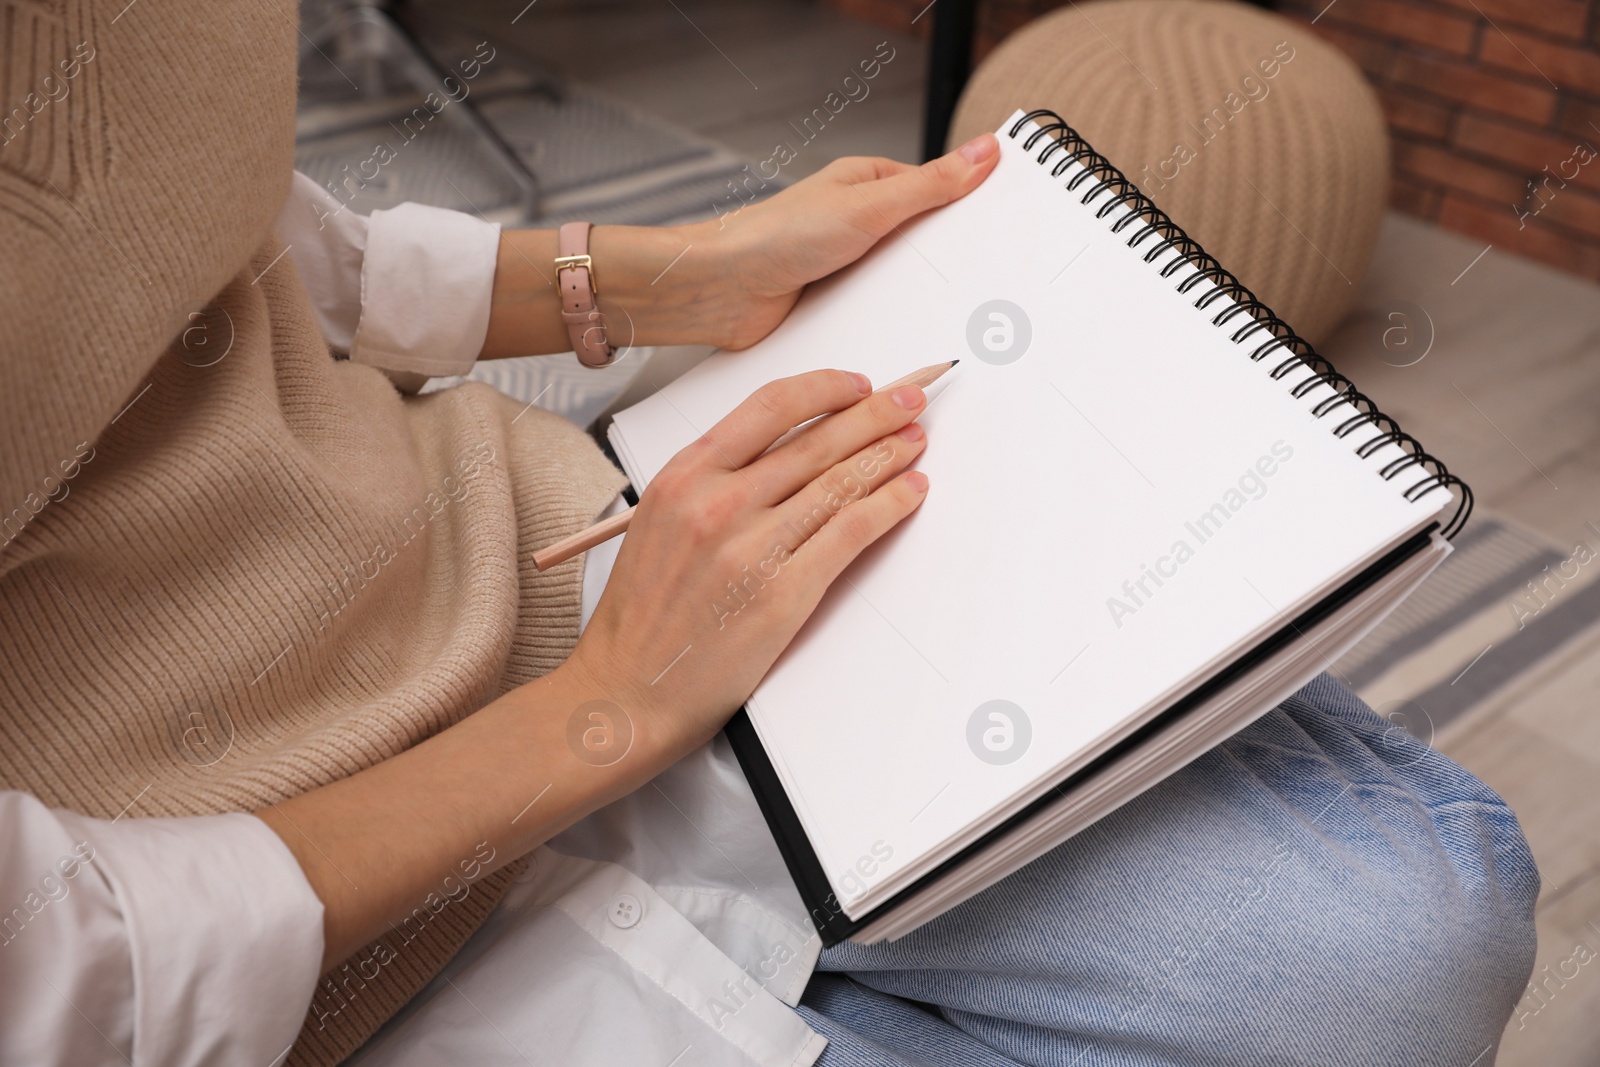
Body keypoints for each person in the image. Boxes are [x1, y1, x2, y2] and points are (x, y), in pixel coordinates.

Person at [0, 1, 1536, 1065]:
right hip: (292, 940)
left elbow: (207, 217)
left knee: (1426, 918)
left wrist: (654, 276)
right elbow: (64, 983)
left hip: (527, 557)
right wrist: (608, 714)